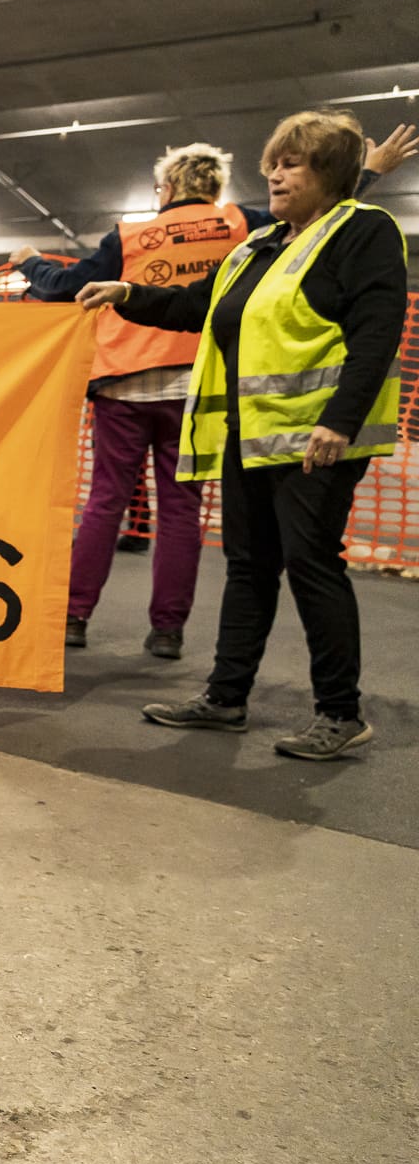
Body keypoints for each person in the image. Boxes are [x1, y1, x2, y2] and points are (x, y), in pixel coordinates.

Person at [75, 112, 412, 760]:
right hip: (253, 436)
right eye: (275, 163)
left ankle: (341, 712)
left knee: (313, 566)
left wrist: (339, 421)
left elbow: (376, 332)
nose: (277, 174)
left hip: (317, 441)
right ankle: (226, 696)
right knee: (249, 568)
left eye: (294, 163)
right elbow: (196, 305)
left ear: (332, 174)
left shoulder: (362, 231)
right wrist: (125, 289)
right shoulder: (259, 246)